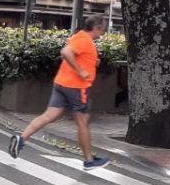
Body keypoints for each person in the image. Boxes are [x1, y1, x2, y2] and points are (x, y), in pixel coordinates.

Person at [9, 15, 110, 169]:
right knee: (82, 123)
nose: (102, 33)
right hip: (77, 87)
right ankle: (89, 160)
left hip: (61, 83)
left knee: (49, 116)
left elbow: (76, 54)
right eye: (102, 30)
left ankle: (21, 139)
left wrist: (91, 62)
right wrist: (81, 71)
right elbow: (66, 52)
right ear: (96, 28)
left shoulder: (79, 36)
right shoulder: (85, 40)